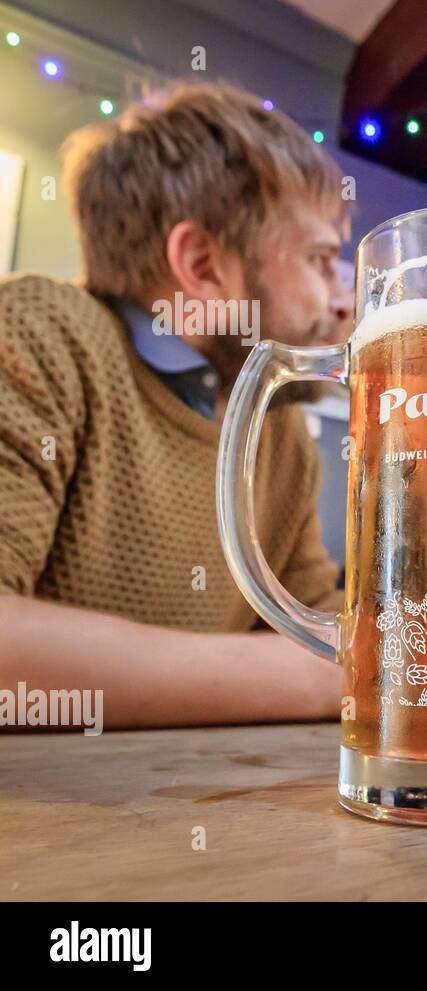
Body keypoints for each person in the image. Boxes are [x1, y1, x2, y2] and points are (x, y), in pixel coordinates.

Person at [0, 83, 352, 729]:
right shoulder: (40, 334)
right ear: (203, 265)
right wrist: (327, 680)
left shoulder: (280, 431)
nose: (343, 301)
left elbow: (311, 619)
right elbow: (326, 664)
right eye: (322, 259)